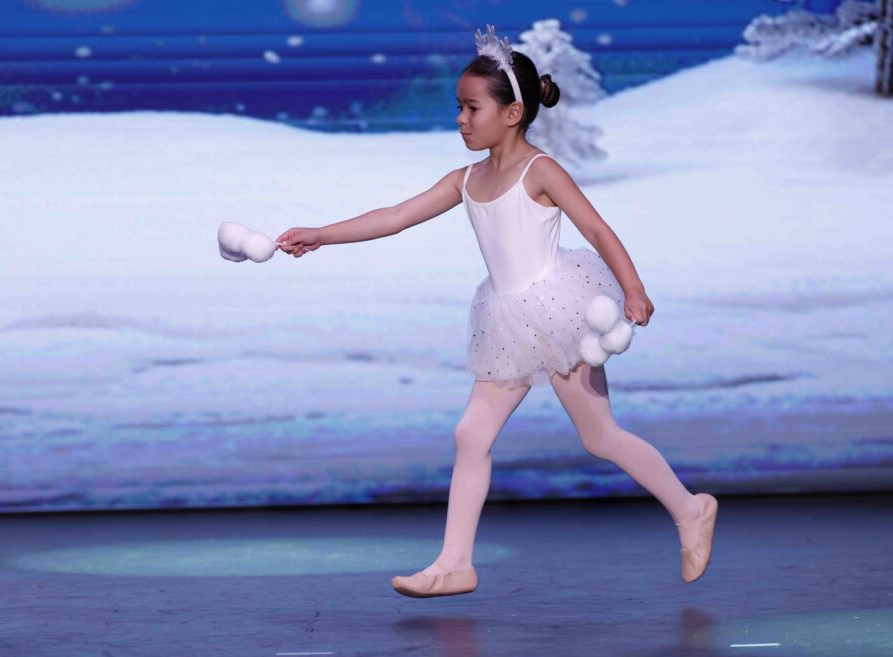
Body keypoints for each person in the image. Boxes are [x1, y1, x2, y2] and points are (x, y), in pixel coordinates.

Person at [276, 25, 718, 599]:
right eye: (458, 108)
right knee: (471, 434)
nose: (460, 119)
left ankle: (690, 510)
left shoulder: (541, 171)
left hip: (561, 313)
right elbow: (395, 216)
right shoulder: (466, 180)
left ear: (512, 113)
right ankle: (453, 564)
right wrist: (321, 234)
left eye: (471, 108)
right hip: (506, 323)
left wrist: (633, 289)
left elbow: (595, 229)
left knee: (601, 437)